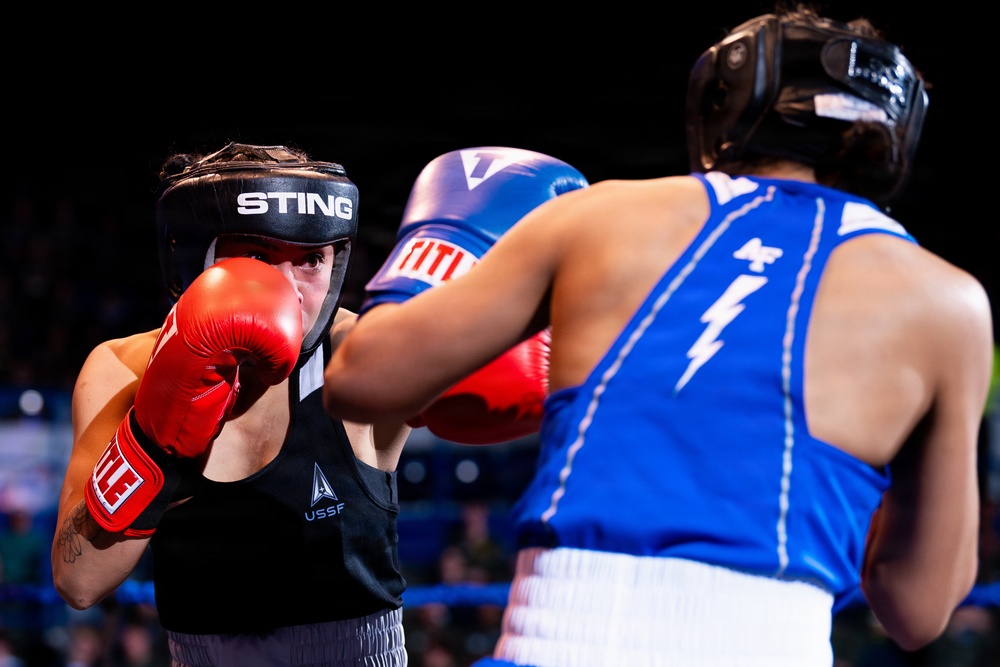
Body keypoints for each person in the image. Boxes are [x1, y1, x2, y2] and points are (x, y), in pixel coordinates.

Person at [322, 5, 995, 666]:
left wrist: (443, 244)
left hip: (558, 641)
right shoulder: (948, 302)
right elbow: (917, 610)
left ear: (728, 100)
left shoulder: (605, 216)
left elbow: (361, 379)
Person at [50, 142, 416, 667]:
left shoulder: (367, 353)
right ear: (194, 256)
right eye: (257, 257)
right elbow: (78, 580)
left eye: (312, 259)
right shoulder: (123, 368)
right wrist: (157, 435)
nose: (286, 289)